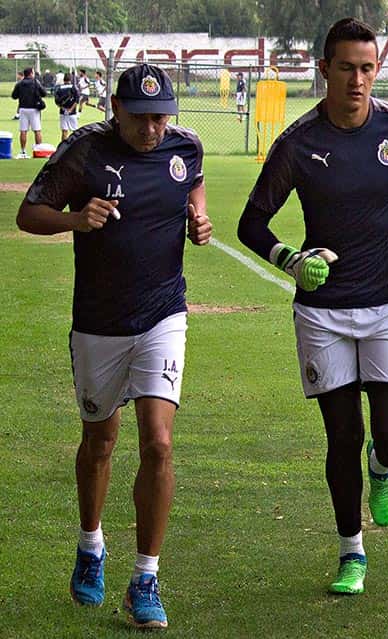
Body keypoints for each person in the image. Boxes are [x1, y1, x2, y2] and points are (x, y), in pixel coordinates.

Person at [237, 17, 388, 596]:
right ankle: (351, 553)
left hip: (386, 306)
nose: (358, 80)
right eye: (347, 68)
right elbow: (251, 223)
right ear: (323, 69)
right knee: (341, 436)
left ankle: (384, 467)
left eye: (367, 68)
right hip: (322, 312)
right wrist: (291, 259)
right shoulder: (299, 144)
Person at [16, 63, 211, 629]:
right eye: (143, 118)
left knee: (159, 443)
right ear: (116, 110)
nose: (154, 129)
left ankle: (145, 577)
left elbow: (192, 183)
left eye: (162, 117)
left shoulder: (185, 147)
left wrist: (198, 217)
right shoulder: (84, 151)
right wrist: (76, 218)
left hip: (163, 314)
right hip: (99, 322)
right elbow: (29, 214)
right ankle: (90, 544)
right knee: (99, 443)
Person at [11, 67, 47, 159]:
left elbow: (14, 96)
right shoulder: (35, 82)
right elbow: (44, 93)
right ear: (31, 73)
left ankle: (23, 151)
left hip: (23, 108)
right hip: (34, 109)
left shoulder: (19, 83)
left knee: (23, 131)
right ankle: (38, 150)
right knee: (37, 130)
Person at [54, 72, 81, 141]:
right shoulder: (73, 87)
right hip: (72, 113)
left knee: (64, 131)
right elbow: (77, 101)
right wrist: (71, 109)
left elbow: (56, 101)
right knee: (75, 132)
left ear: (64, 80)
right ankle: (75, 147)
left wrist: (62, 108)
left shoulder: (59, 88)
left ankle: (63, 148)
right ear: (70, 79)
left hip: (63, 112)